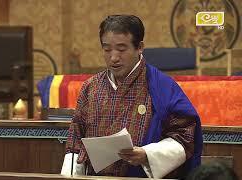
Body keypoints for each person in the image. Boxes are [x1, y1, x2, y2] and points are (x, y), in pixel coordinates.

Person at [61, 15, 203, 179]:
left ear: (140, 47)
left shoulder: (162, 86)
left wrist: (147, 154)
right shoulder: (90, 87)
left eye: (121, 49)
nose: (113, 58)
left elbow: (185, 136)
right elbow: (75, 141)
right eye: (107, 50)